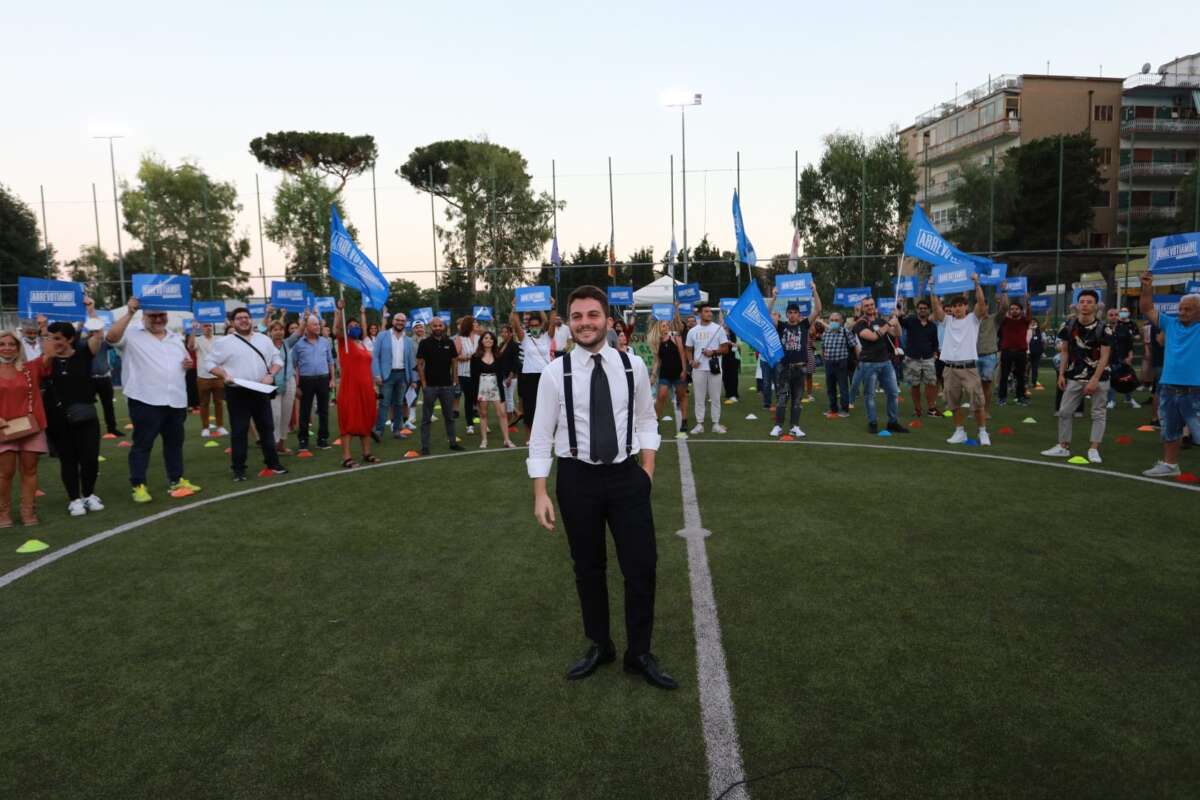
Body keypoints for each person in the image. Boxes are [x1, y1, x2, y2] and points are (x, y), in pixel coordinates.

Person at [527, 285, 675, 690]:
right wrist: (540, 492)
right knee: (588, 568)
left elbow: (646, 419)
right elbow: (540, 436)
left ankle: (639, 652)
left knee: (641, 567)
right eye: (577, 316)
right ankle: (600, 644)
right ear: (568, 322)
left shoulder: (632, 366)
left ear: (608, 320)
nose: (585, 323)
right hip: (577, 479)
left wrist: (647, 469)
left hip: (626, 477)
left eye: (593, 315)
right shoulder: (555, 373)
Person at [106, 298, 202, 502]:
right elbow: (111, 337)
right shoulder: (131, 334)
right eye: (153, 315)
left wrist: (185, 365)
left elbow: (184, 361)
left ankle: (176, 480)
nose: (158, 319)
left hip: (175, 399)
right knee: (143, 445)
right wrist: (130, 312)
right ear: (144, 316)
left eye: (162, 315)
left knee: (174, 444)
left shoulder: (174, 337)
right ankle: (138, 485)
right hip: (145, 400)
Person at [205, 307, 288, 482]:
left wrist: (271, 374)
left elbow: (277, 360)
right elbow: (209, 363)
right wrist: (224, 375)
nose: (243, 320)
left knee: (267, 428)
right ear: (232, 322)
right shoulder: (224, 342)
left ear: (251, 320)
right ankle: (239, 470)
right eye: (239, 318)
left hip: (261, 390)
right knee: (239, 431)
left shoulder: (264, 339)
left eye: (246, 317)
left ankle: (273, 464)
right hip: (237, 391)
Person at [41, 315, 105, 517]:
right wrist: (48, 349)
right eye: (50, 338)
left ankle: (89, 494)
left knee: (90, 458)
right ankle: (74, 499)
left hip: (85, 416)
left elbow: (98, 334)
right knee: (68, 460)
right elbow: (39, 374)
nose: (54, 342)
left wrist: (91, 310)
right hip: (57, 419)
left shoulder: (84, 354)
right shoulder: (46, 360)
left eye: (58, 338)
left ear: (70, 339)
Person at [1041, 289, 1113, 464]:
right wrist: (1062, 374)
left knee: (1098, 413)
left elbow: (1105, 357)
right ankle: (1063, 446)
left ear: (1096, 306)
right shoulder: (1069, 325)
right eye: (1082, 302)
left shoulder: (1104, 329)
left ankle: (1094, 448)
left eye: (1089, 302)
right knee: (1064, 411)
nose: (1085, 305)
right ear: (1077, 305)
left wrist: (1095, 379)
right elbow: (1064, 351)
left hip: (1099, 377)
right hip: (1074, 375)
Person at [1138, 280, 1199, 478]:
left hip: (1196, 389)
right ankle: (1170, 465)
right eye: (1181, 308)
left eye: (1188, 309)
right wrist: (1147, 288)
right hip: (1169, 387)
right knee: (1170, 429)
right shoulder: (1170, 323)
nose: (1182, 312)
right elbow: (1146, 308)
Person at [931, 276, 991, 446]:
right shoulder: (947, 321)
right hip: (949, 368)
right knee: (953, 403)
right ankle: (959, 432)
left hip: (969, 368)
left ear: (966, 307)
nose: (957, 308)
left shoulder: (973, 319)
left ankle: (983, 432)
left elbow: (981, 303)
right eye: (954, 306)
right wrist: (932, 288)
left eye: (960, 305)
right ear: (951, 308)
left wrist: (977, 283)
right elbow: (936, 309)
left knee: (977, 402)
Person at [0, 330, 48, 526]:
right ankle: (3, 514)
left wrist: (44, 330)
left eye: (12, 344)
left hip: (31, 427)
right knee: (5, 472)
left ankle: (28, 512)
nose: (7, 348)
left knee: (30, 470)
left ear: (18, 347)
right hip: (3, 429)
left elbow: (50, 352)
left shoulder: (30, 368)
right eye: (2, 344)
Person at [331, 300, 380, 468]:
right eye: (351, 326)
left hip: (366, 389)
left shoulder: (363, 344)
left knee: (366, 420)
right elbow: (336, 330)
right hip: (350, 389)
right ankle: (346, 457)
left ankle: (367, 453)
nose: (355, 327)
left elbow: (364, 330)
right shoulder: (344, 342)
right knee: (349, 421)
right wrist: (339, 311)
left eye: (357, 325)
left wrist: (373, 385)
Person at [770, 289, 824, 438]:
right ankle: (778, 426)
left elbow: (818, 309)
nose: (793, 314)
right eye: (790, 312)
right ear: (787, 314)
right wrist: (774, 297)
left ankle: (794, 427)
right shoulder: (781, 326)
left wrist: (815, 291)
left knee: (797, 400)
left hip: (800, 369)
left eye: (795, 312)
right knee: (782, 399)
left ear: (799, 314)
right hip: (785, 368)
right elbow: (766, 315)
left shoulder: (804, 325)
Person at [852, 297, 908, 436]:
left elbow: (897, 333)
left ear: (874, 306)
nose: (870, 307)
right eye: (866, 305)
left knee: (893, 393)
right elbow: (873, 337)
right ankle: (872, 422)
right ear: (862, 308)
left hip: (886, 362)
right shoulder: (860, 324)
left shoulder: (881, 321)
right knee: (870, 395)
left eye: (871, 304)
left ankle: (892, 422)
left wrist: (896, 319)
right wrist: (889, 323)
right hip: (869, 364)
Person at [417, 315, 463, 456]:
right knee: (426, 419)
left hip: (447, 386)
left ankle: (453, 443)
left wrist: (454, 380)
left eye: (440, 325)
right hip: (430, 387)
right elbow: (420, 364)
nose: (437, 328)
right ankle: (425, 446)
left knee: (449, 417)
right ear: (430, 327)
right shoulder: (424, 343)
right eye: (435, 326)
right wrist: (424, 383)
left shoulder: (449, 342)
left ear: (444, 327)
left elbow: (454, 362)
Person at [292, 311, 336, 451]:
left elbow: (330, 362)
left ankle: (322, 439)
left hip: (323, 379)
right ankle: (303, 440)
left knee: (324, 411)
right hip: (306, 381)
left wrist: (332, 379)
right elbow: (294, 366)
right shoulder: (298, 344)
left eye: (318, 324)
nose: (318, 327)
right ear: (307, 327)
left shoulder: (325, 342)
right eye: (314, 324)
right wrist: (296, 385)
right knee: (305, 412)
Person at [685, 302, 730, 435]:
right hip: (698, 369)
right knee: (699, 398)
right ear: (699, 314)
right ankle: (699, 424)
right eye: (706, 311)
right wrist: (691, 361)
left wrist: (713, 352)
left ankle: (716, 424)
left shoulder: (718, 329)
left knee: (715, 398)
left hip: (714, 368)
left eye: (710, 311)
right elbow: (688, 349)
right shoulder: (692, 331)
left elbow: (726, 348)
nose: (709, 313)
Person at [509, 309, 557, 433]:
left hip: (545, 375)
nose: (534, 327)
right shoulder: (525, 338)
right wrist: (514, 309)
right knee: (529, 409)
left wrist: (553, 308)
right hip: (528, 376)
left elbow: (552, 322)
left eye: (537, 325)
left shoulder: (547, 337)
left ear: (541, 325)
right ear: (529, 326)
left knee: (546, 406)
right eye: (532, 326)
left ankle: (547, 434)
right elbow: (516, 323)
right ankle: (529, 438)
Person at [372, 311, 416, 439]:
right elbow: (375, 356)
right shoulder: (382, 335)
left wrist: (413, 379)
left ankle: (397, 430)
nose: (400, 322)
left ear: (405, 323)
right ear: (393, 321)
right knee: (384, 404)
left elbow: (411, 361)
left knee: (399, 404)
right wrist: (377, 374)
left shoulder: (408, 340)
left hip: (403, 375)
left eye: (402, 321)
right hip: (386, 375)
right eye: (398, 320)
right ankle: (379, 431)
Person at [471, 330, 515, 449]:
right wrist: (475, 395)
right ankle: (484, 440)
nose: (488, 340)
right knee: (483, 414)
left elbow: (501, 373)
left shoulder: (498, 355)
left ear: (494, 341)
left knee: (502, 414)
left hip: (496, 387)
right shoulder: (475, 357)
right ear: (481, 341)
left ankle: (507, 440)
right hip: (481, 387)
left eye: (491, 338)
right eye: (486, 338)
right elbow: (473, 377)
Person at [899, 297, 941, 417]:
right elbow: (900, 321)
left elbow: (935, 342)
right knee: (915, 384)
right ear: (917, 310)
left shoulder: (932, 326)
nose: (922, 310)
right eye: (920, 308)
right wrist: (899, 309)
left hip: (928, 358)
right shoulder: (910, 321)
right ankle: (917, 409)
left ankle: (931, 409)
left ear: (928, 310)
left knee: (931, 384)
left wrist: (935, 354)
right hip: (912, 358)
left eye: (925, 308)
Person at [648, 317, 688, 438]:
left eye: (667, 325)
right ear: (659, 328)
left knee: (681, 396)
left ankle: (684, 421)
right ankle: (655, 423)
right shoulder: (658, 342)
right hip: (665, 373)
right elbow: (657, 361)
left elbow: (682, 354)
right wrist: (653, 375)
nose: (666, 327)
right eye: (664, 325)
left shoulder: (675, 337)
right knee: (661, 396)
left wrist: (684, 370)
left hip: (678, 372)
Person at [190, 322, 227, 438]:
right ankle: (205, 428)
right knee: (204, 403)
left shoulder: (219, 339)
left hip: (218, 375)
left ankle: (220, 426)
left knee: (219, 403)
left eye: (210, 325)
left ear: (212, 327)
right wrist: (193, 330)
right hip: (203, 376)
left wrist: (227, 326)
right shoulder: (198, 339)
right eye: (205, 326)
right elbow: (190, 347)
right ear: (202, 327)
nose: (208, 328)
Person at [89, 314, 122, 439]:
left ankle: (112, 429)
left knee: (108, 406)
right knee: (89, 407)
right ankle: (92, 431)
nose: (98, 332)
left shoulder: (104, 343)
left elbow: (113, 341)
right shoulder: (84, 342)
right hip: (89, 379)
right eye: (95, 330)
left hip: (104, 377)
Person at [267, 321, 298, 455]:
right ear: (270, 332)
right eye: (275, 329)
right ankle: (273, 445)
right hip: (272, 383)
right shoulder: (266, 345)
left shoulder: (287, 343)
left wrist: (305, 318)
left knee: (286, 415)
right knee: (275, 416)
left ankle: (281, 445)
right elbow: (261, 327)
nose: (278, 332)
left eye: (280, 329)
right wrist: (268, 315)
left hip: (289, 381)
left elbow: (299, 332)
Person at [996, 297, 1032, 407]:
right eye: (1011, 309)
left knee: (1020, 376)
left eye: (1016, 309)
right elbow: (1000, 313)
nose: (1014, 311)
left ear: (1021, 310)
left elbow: (1029, 315)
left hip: (1021, 353)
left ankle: (1020, 397)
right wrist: (1001, 302)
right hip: (1007, 352)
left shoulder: (1024, 321)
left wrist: (1027, 302)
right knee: (1004, 376)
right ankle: (1002, 398)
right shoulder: (1005, 321)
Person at [1105, 306, 1141, 410]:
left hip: (1124, 359)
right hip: (1109, 359)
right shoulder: (1103, 330)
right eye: (1111, 315)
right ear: (1107, 317)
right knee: (1110, 380)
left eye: (1116, 315)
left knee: (1127, 379)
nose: (1113, 317)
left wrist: (1130, 357)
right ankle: (1111, 401)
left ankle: (1129, 399)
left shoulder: (1124, 329)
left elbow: (1130, 344)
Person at [975, 292, 1004, 418]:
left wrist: (1004, 293)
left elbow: (1004, 309)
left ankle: (985, 411)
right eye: (978, 305)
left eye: (983, 305)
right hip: (974, 356)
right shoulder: (972, 321)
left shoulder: (994, 319)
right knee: (973, 386)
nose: (981, 307)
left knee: (986, 385)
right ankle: (975, 410)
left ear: (987, 306)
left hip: (989, 356)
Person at [821, 312, 854, 417]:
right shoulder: (826, 332)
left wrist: (858, 360)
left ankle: (844, 410)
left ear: (841, 321)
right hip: (829, 363)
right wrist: (824, 360)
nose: (833, 322)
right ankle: (833, 409)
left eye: (836, 320)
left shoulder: (846, 332)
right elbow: (823, 347)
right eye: (832, 320)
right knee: (830, 387)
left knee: (843, 387)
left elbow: (853, 345)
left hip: (841, 362)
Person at [454, 316, 480, 434]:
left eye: (476, 323)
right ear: (468, 325)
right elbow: (455, 356)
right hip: (465, 373)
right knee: (469, 399)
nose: (476, 324)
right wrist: (467, 357)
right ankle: (470, 424)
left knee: (480, 399)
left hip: (479, 373)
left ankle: (483, 422)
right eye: (474, 323)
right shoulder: (460, 338)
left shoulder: (480, 338)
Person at [1027, 318, 1047, 394]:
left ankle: (1033, 382)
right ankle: (1025, 382)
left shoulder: (1039, 330)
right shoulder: (1027, 330)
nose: (1033, 323)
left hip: (1037, 352)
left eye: (1034, 322)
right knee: (1027, 367)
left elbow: (1045, 325)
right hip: (1028, 352)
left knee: (1035, 368)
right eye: (1031, 322)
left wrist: (1047, 316)